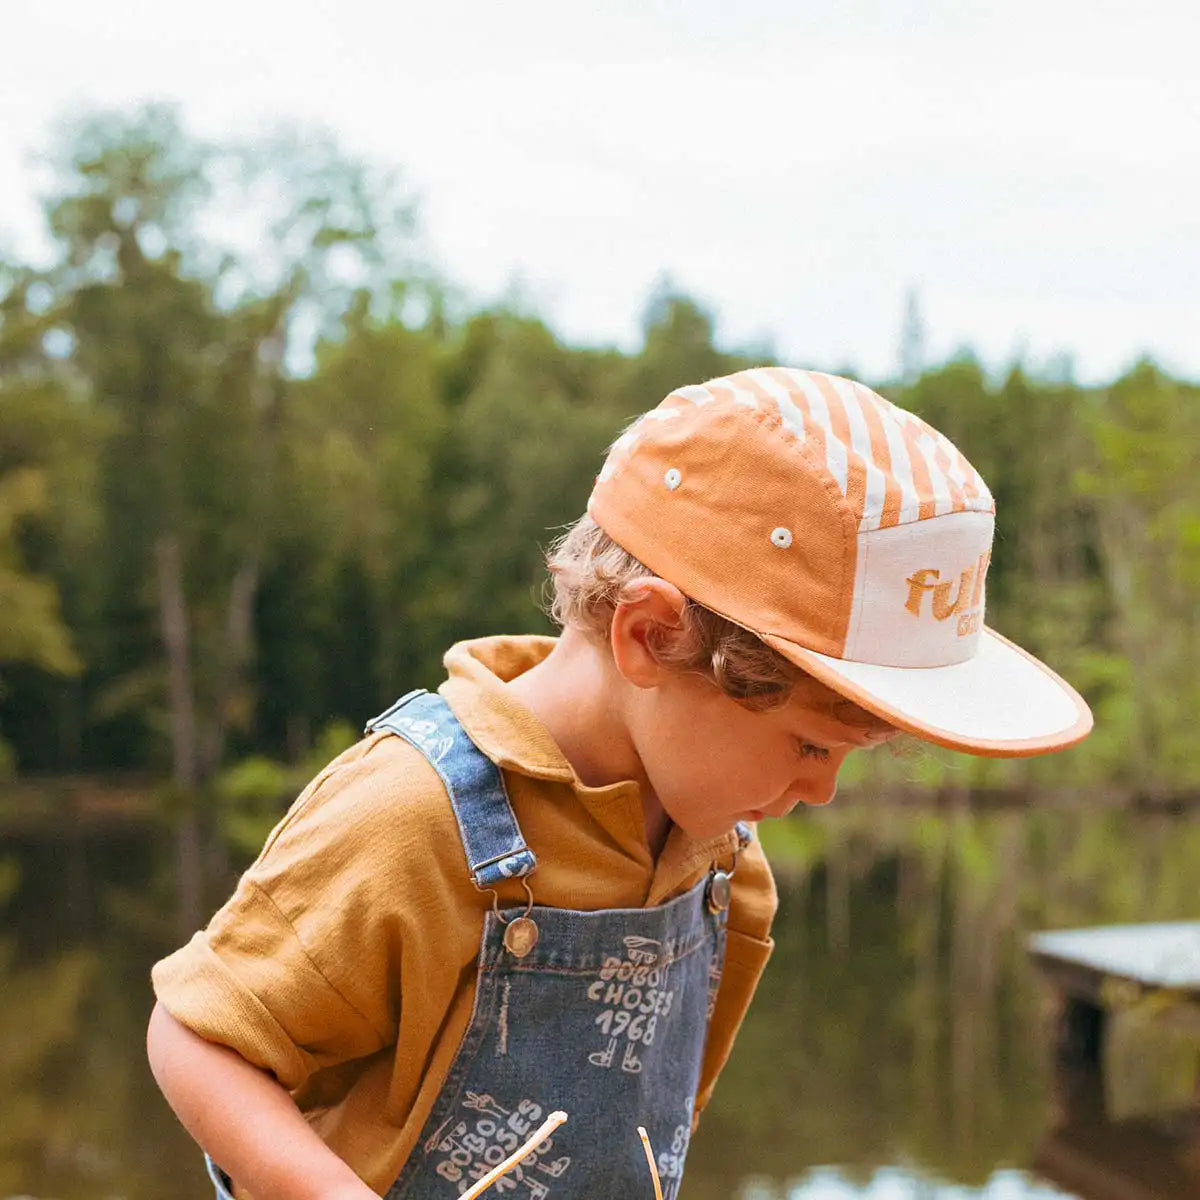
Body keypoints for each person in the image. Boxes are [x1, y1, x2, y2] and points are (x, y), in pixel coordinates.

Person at [146, 367, 1093, 1200]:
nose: (824, 794)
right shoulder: (414, 817)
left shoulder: (724, 866)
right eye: (810, 746)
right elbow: (201, 1039)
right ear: (649, 636)